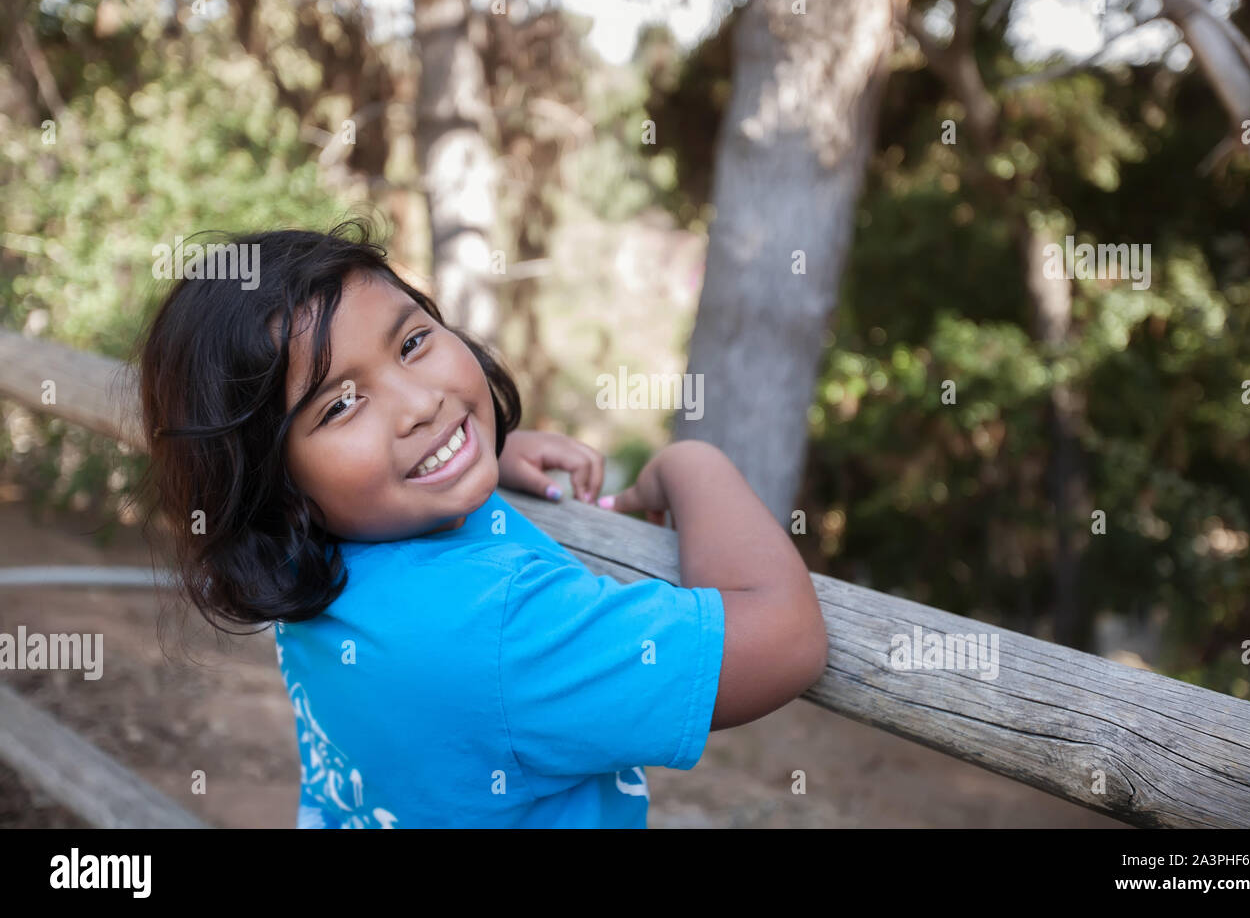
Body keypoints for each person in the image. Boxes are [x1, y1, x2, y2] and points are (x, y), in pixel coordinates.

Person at [134, 218, 827, 827]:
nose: (419, 404)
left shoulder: (300, 558)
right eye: (340, 406)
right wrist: (694, 467)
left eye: (410, 344)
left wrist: (477, 455)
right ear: (279, 493)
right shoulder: (503, 627)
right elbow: (784, 642)